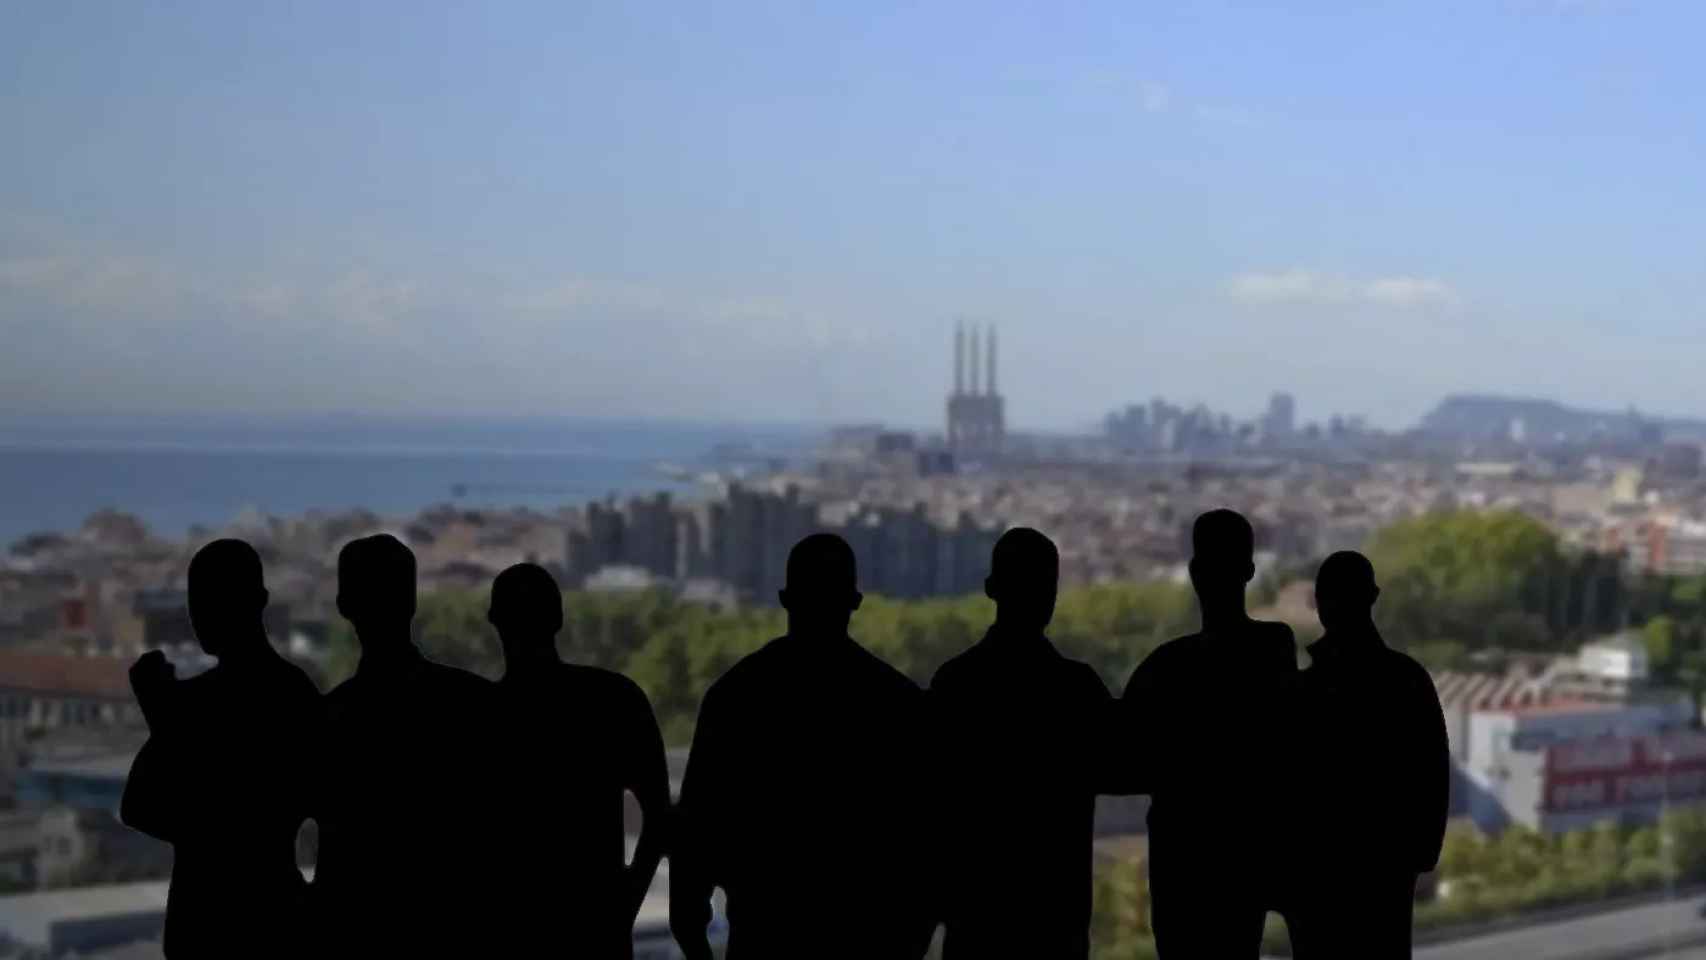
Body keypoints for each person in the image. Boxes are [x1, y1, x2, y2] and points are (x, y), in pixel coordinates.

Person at [671, 533, 934, 960]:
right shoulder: (898, 700)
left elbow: (696, 832)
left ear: (785, 598)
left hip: (765, 935)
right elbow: (927, 845)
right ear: (855, 600)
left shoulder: (737, 695)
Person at [120, 539, 322, 959]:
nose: (198, 615)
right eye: (196, 601)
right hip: (274, 909)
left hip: (205, 916)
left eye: (208, 600)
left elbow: (141, 806)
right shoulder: (294, 692)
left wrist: (164, 720)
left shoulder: (192, 703)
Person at [1119, 509, 1298, 958]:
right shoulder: (1274, 648)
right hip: (1244, 854)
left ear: (1195, 572)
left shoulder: (1164, 667)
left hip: (1182, 858)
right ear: (1250, 572)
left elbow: (1121, 762)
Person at [930, 527, 1115, 958]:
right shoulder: (1077, 690)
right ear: (1053, 593)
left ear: (991, 589)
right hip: (1055, 927)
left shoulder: (955, 685)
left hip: (976, 924)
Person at [312, 534, 496, 955]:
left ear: (343, 607)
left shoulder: (330, 718)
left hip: (356, 932)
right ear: (412, 602)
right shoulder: (477, 702)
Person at [488, 562, 670, 957]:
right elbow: (659, 816)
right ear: (558, 618)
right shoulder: (615, 700)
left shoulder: (480, 717)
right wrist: (625, 905)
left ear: (493, 621)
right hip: (595, 931)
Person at [1288, 551, 1449, 959]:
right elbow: (1433, 779)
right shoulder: (1408, 680)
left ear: (1318, 603)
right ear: (1373, 596)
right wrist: (1418, 858)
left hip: (1318, 879)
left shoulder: (1303, 692)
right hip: (1387, 874)